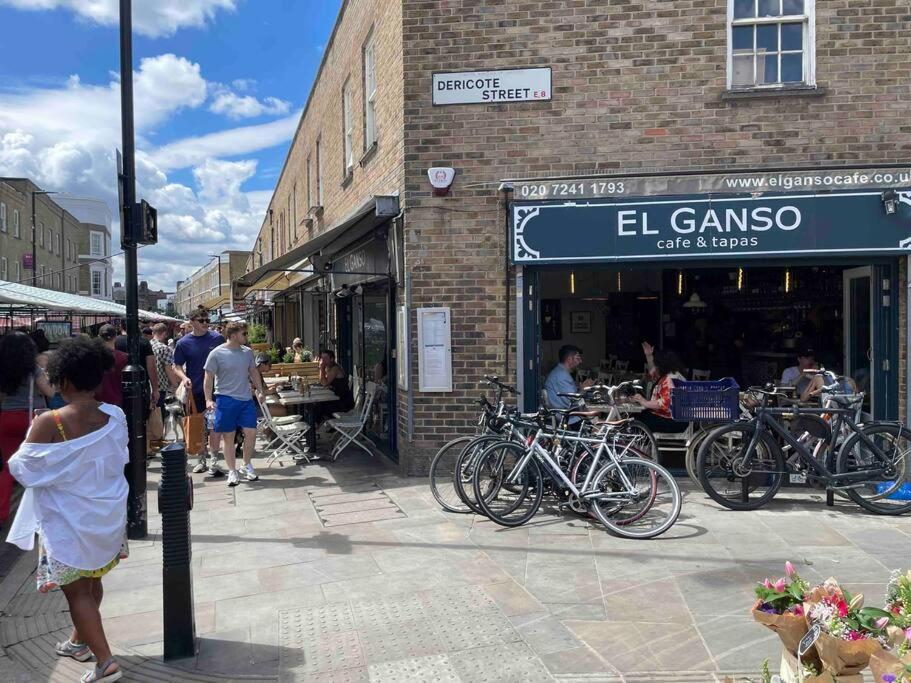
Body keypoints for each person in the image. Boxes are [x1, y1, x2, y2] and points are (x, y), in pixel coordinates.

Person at [6, 336, 127, 683]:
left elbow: (21, 470)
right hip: (104, 519)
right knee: (92, 582)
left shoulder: (51, 422)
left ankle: (106, 662)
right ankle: (79, 641)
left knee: (76, 592)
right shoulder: (114, 415)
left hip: (68, 521)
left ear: (65, 380)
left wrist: (36, 427)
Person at [0, 332, 55, 525]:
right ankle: (38, 512)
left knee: (6, 466)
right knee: (36, 464)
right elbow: (50, 391)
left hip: (5, 418)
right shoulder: (33, 369)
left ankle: (1, 513)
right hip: (32, 419)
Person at [202, 321, 266, 487]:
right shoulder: (216, 353)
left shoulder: (247, 352)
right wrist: (208, 399)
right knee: (228, 437)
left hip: (245, 399)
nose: (246, 336)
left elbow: (253, 372)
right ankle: (232, 471)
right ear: (233, 335)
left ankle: (246, 464)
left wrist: (260, 390)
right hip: (225, 399)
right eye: (244, 334)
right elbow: (208, 378)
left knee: (251, 433)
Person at [172, 308, 225, 475]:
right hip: (195, 391)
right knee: (199, 426)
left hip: (217, 389)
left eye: (206, 320)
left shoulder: (217, 338)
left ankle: (214, 461)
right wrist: (183, 377)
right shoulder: (183, 343)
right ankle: (201, 460)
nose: (205, 323)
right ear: (192, 322)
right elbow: (176, 365)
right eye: (201, 320)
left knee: (215, 425)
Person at [632, 345, 688, 434]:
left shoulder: (671, 378)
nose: (655, 366)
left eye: (657, 364)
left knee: (635, 421)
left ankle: (638, 446)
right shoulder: (673, 374)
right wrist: (649, 356)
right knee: (637, 417)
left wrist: (644, 402)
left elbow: (665, 403)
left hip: (672, 422)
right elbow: (653, 373)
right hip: (675, 419)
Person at [148, 323, 178, 450]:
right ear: (165, 334)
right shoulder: (164, 348)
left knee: (150, 414)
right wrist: (175, 385)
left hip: (148, 384)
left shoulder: (148, 345)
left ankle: (151, 441)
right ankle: (158, 439)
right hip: (160, 386)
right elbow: (168, 369)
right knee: (159, 414)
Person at [544, 344, 594, 411]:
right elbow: (573, 402)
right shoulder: (561, 375)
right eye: (578, 358)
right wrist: (583, 389)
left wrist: (579, 387)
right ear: (569, 359)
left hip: (568, 412)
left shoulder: (561, 372)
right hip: (568, 417)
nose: (580, 361)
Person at [312, 349, 355, 425]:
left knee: (319, 406)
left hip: (343, 403)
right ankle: (315, 425)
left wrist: (321, 368)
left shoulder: (335, 368)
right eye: (322, 358)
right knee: (317, 405)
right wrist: (321, 368)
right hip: (337, 398)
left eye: (326, 358)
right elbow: (322, 382)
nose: (323, 360)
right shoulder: (328, 368)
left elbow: (324, 383)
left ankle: (313, 426)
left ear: (332, 359)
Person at [94, 325, 129, 407]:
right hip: (117, 402)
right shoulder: (124, 357)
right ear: (115, 337)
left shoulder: (91, 356)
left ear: (99, 337)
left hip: (96, 403)